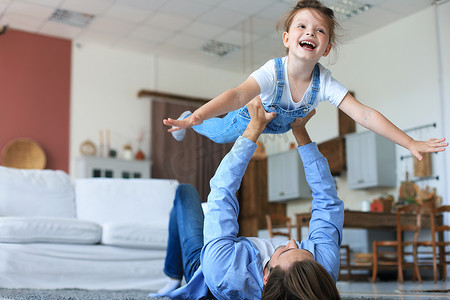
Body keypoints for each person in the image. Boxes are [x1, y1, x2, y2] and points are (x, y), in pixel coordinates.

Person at [163, 0, 447, 160]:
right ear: (287, 39)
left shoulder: (324, 81)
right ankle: (190, 120)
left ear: (326, 48)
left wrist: (409, 142)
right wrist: (196, 116)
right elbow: (237, 96)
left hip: (278, 128)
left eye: (320, 31)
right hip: (246, 118)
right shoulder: (273, 72)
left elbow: (365, 115)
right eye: (302, 26)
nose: (310, 33)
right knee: (221, 133)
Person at [150, 98, 342, 299]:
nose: (293, 241)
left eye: (285, 252)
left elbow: (222, 190)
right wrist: (300, 131)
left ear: (266, 277)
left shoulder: (223, 270)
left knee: (184, 192)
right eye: (308, 254)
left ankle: (173, 276)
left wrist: (253, 129)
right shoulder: (321, 270)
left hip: (205, 272)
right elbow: (326, 200)